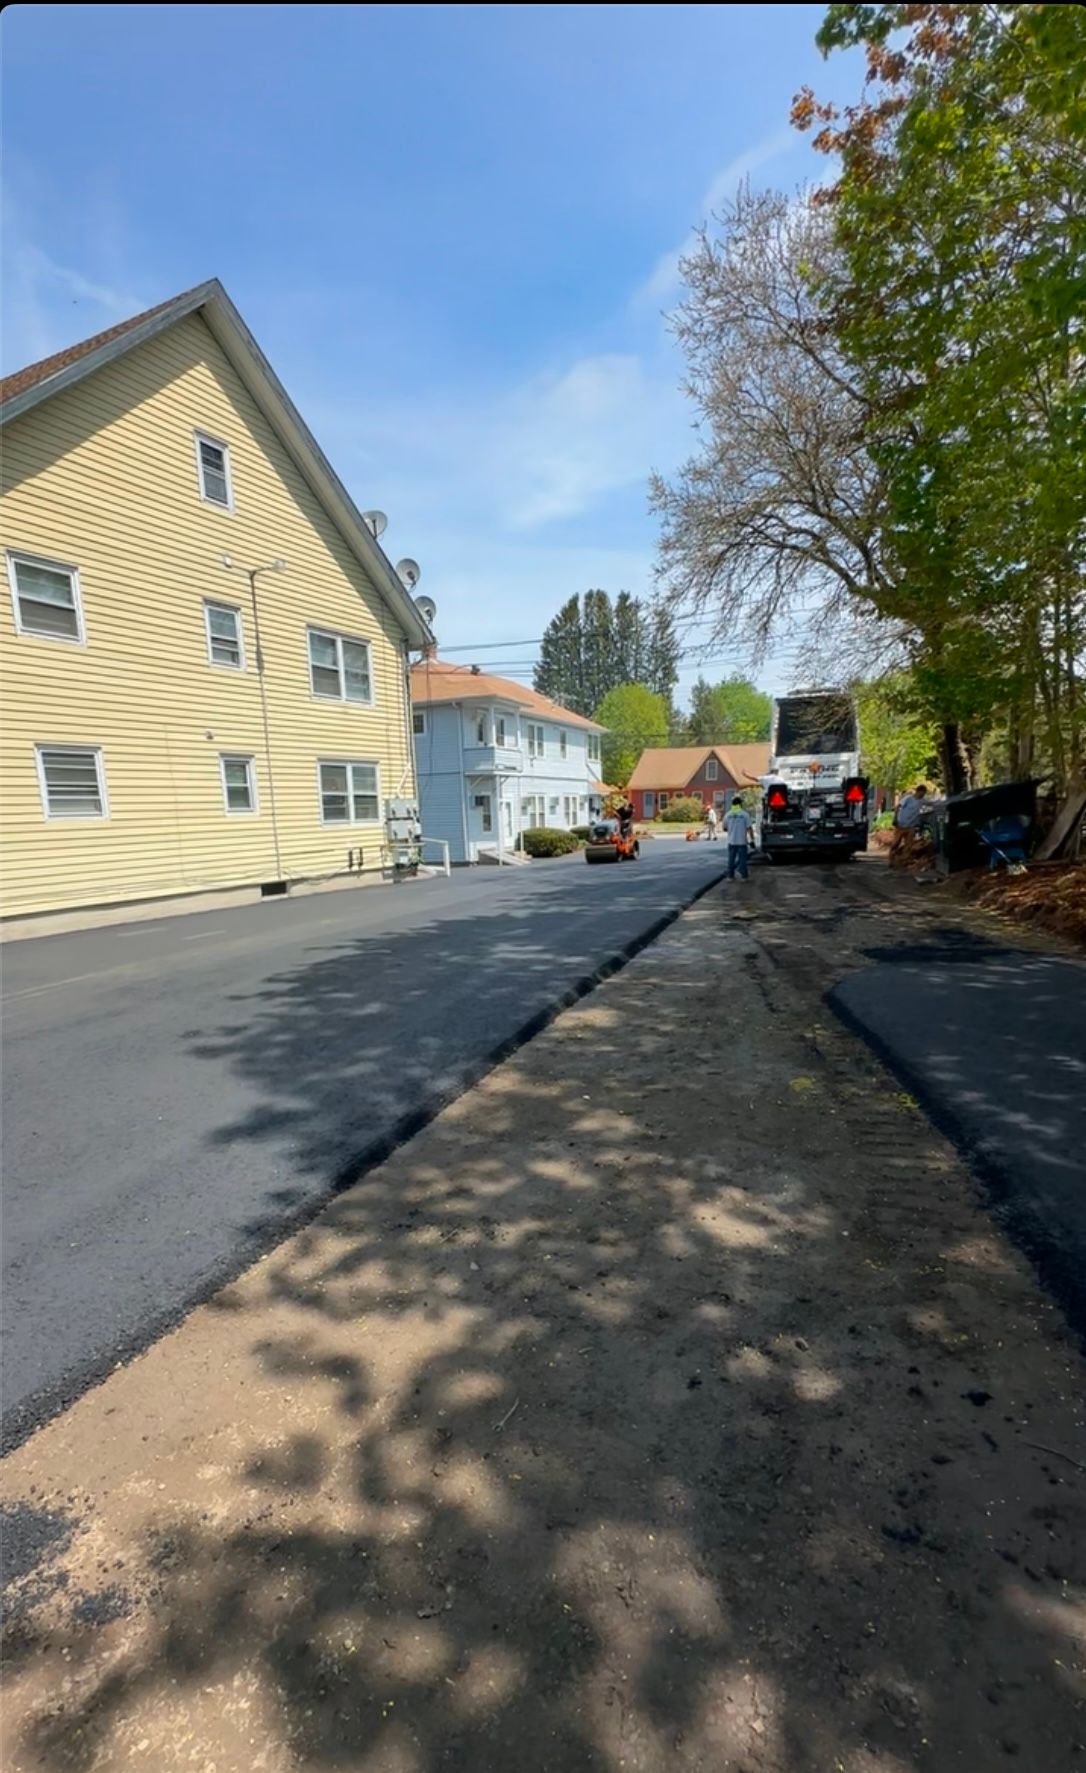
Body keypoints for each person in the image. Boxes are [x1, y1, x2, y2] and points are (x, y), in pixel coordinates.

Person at [890, 783, 928, 869]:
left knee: (908, 845)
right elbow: (898, 807)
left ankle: (903, 862)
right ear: (919, 791)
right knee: (896, 843)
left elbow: (931, 803)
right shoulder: (908, 798)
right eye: (923, 793)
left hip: (911, 826)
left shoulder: (922, 801)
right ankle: (891, 860)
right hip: (901, 824)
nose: (923, 795)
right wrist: (895, 818)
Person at [724, 796, 752, 880]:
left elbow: (724, 828)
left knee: (731, 860)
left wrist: (732, 828)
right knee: (742, 860)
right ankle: (744, 876)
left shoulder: (728, 815)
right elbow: (749, 828)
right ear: (740, 804)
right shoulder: (745, 814)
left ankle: (730, 876)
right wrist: (752, 840)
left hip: (731, 842)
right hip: (742, 842)